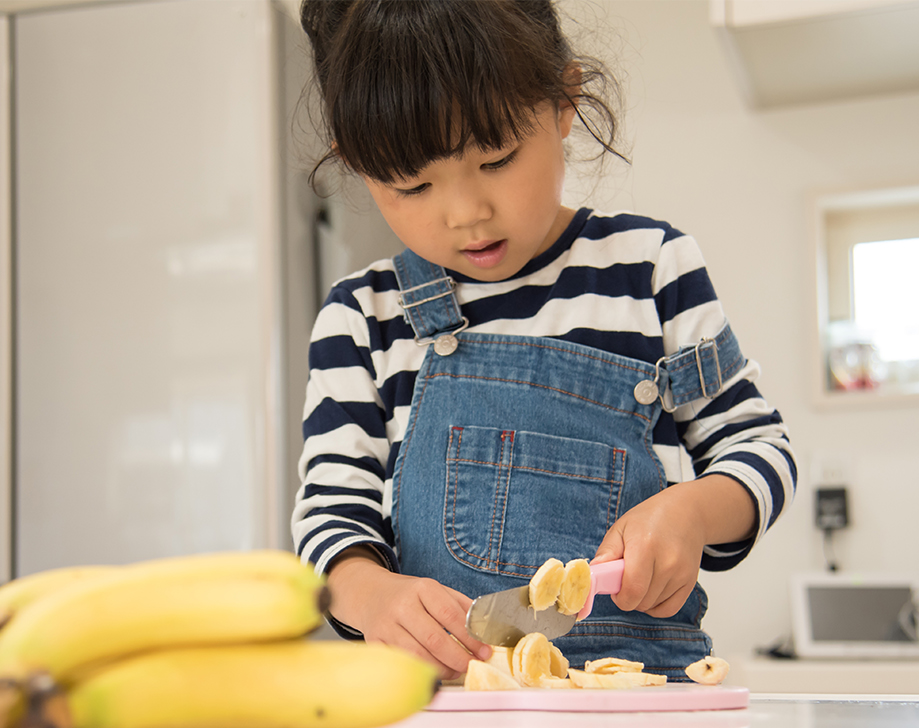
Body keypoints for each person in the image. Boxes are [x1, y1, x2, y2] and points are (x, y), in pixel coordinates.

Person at [291, 0, 795, 681]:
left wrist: (693, 511)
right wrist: (369, 593)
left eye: (496, 159)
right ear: (357, 165)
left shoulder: (651, 268)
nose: (466, 212)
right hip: (448, 719)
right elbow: (330, 516)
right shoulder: (362, 318)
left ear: (564, 101)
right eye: (412, 183)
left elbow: (759, 447)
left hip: (637, 709)